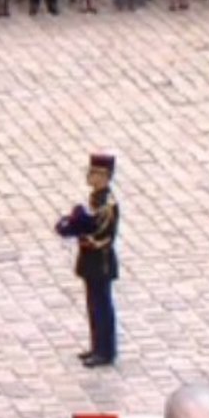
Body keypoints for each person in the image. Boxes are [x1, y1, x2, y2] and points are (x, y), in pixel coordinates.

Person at [76, 153, 120, 368]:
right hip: (90, 261)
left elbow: (104, 235)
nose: (90, 176)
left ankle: (106, 350)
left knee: (102, 306)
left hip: (100, 262)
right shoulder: (95, 198)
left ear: (105, 176)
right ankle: (96, 346)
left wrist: (86, 237)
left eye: (95, 173)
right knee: (93, 305)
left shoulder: (108, 205)